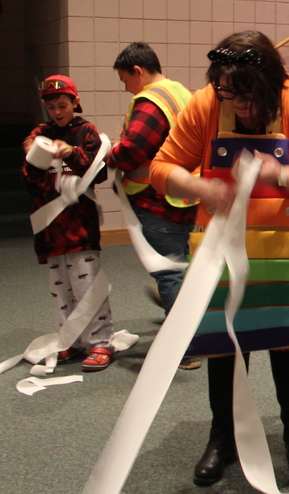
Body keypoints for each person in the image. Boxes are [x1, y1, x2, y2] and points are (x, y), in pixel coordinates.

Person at [149, 31, 289, 486]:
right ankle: (223, 433)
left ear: (271, 86)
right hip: (223, 244)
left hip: (288, 240)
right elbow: (160, 168)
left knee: (288, 336)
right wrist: (199, 187)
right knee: (226, 339)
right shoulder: (206, 103)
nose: (241, 107)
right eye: (230, 95)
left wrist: (286, 174)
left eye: (250, 97)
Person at [107, 42, 200, 370]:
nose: (126, 88)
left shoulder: (150, 101)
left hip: (157, 199)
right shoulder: (180, 92)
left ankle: (184, 349)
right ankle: (188, 330)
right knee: (179, 266)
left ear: (138, 71)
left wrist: (109, 154)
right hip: (182, 196)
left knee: (169, 271)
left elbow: (133, 150)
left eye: (125, 80)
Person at [22, 75, 114, 371]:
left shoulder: (86, 131)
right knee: (60, 288)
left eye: (63, 105)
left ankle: (101, 342)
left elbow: (98, 172)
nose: (58, 112)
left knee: (88, 284)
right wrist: (34, 156)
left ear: (75, 102)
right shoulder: (40, 133)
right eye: (52, 107)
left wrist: (71, 153)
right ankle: (71, 339)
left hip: (80, 225)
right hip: (51, 227)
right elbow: (30, 181)